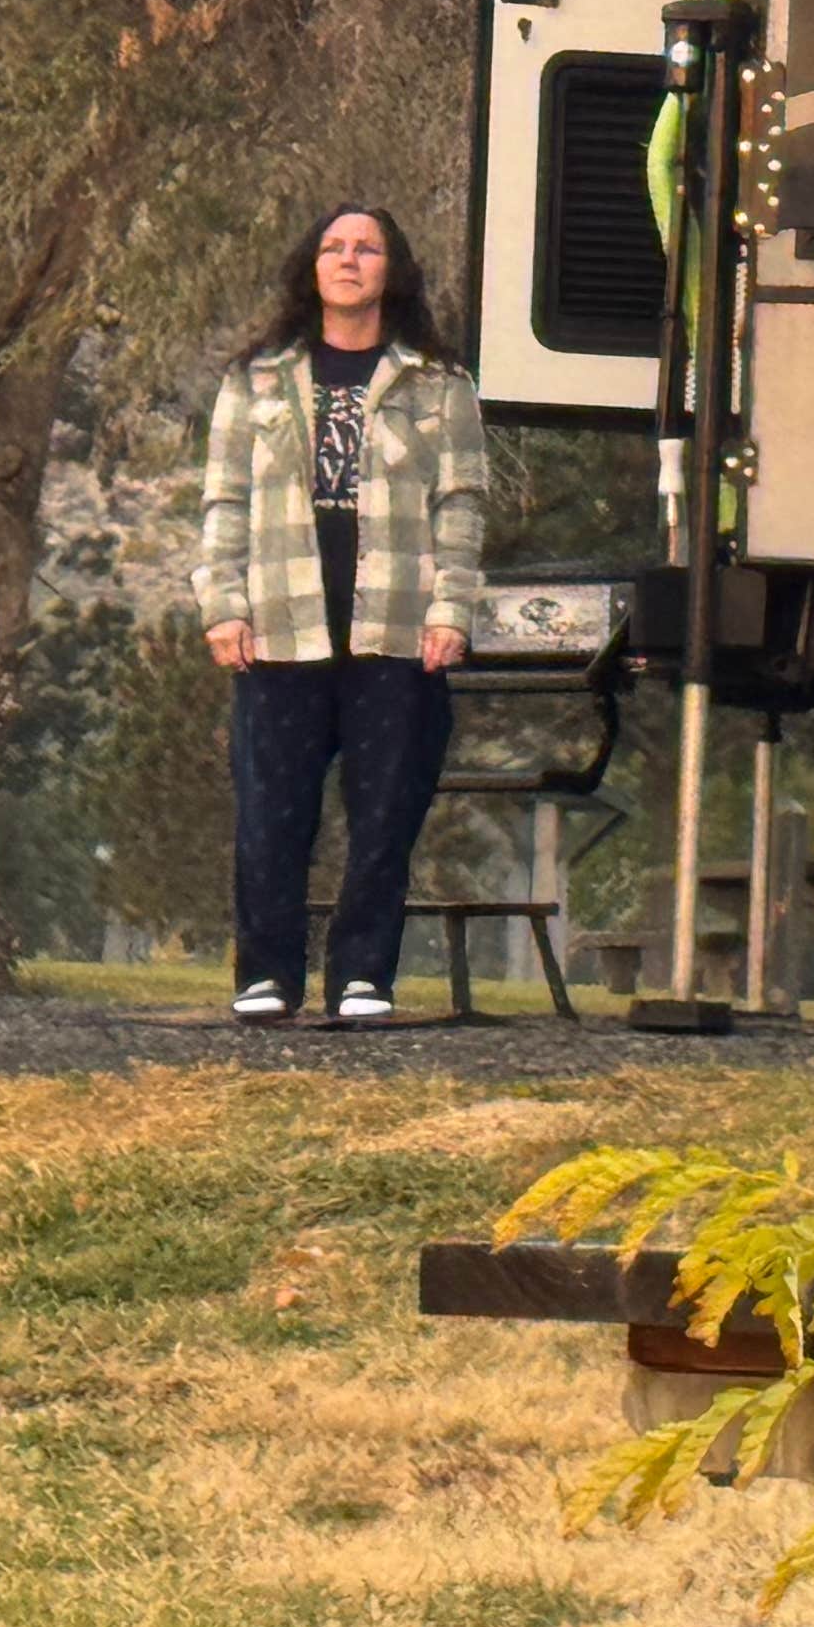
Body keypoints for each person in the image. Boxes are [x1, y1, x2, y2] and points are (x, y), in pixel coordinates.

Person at [193, 204, 487, 1022]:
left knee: (386, 813)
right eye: (333, 247)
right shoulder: (254, 379)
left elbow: (461, 505)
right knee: (270, 810)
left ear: (392, 270)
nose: (349, 260)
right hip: (282, 624)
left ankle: (364, 975)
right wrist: (224, 604)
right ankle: (266, 974)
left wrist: (450, 611)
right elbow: (223, 498)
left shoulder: (438, 382)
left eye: (366, 248)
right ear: (311, 268)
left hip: (395, 627)